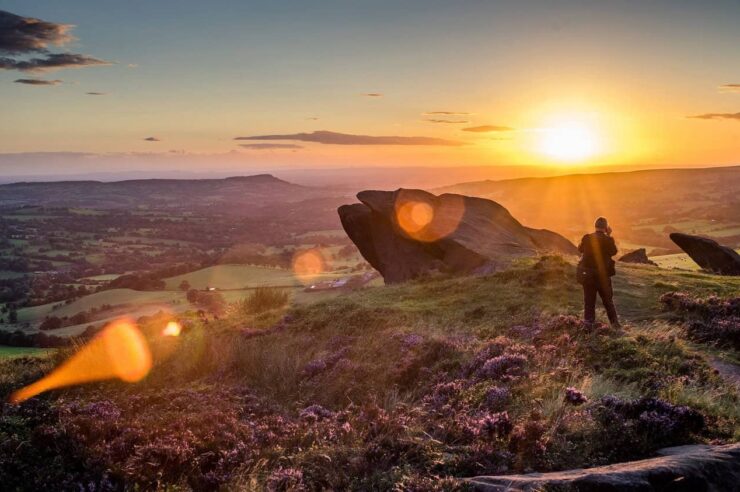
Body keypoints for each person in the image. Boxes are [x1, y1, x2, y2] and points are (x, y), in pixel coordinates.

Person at [577, 217, 620, 327]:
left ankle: (588, 326)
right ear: (606, 228)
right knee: (608, 302)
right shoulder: (608, 240)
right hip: (603, 276)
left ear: (595, 226)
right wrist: (609, 235)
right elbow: (613, 252)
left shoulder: (587, 238)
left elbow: (580, 249)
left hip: (588, 275)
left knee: (589, 303)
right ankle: (615, 326)